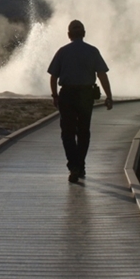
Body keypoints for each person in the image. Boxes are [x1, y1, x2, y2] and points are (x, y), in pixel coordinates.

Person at [47, 20, 113, 183]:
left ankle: (73, 166)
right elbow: (102, 74)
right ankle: (80, 164)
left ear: (69, 35)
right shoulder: (92, 51)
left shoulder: (62, 51)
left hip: (67, 94)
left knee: (67, 132)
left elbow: (53, 76)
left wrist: (55, 95)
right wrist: (109, 96)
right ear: (84, 33)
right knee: (83, 131)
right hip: (85, 95)